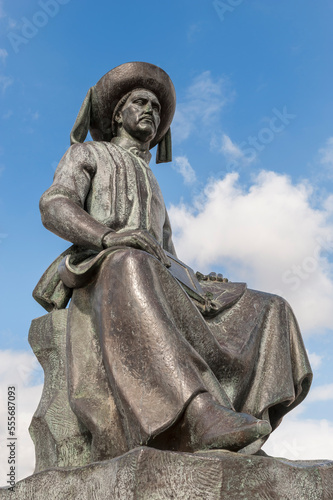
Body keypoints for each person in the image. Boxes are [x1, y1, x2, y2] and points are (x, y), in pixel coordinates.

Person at [33, 62, 312, 462]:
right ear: (117, 114)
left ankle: (243, 425)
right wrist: (108, 237)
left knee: (270, 307)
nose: (151, 110)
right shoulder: (88, 154)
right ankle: (195, 414)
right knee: (130, 261)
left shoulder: (154, 183)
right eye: (140, 102)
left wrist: (200, 280)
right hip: (102, 266)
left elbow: (168, 255)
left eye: (156, 107)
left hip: (152, 272)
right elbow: (54, 205)